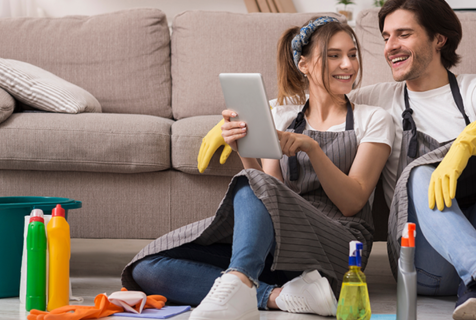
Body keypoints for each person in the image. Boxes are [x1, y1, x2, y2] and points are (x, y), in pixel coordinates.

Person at [120, 16, 393, 320]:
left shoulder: (374, 119)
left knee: (254, 186)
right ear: (303, 65)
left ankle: (241, 284)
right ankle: (271, 294)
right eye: (334, 55)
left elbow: (353, 202)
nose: (348, 65)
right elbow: (266, 186)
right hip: (281, 245)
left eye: (352, 54)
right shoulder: (283, 115)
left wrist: (311, 148)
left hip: (339, 247)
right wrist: (243, 150)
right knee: (147, 269)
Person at [345, 1, 476, 320]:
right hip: (422, 263)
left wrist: (464, 146)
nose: (390, 46)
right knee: (418, 175)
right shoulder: (376, 99)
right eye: (386, 36)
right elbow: (307, 105)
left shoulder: (475, 89)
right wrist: (246, 114)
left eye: (403, 34)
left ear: (438, 39)